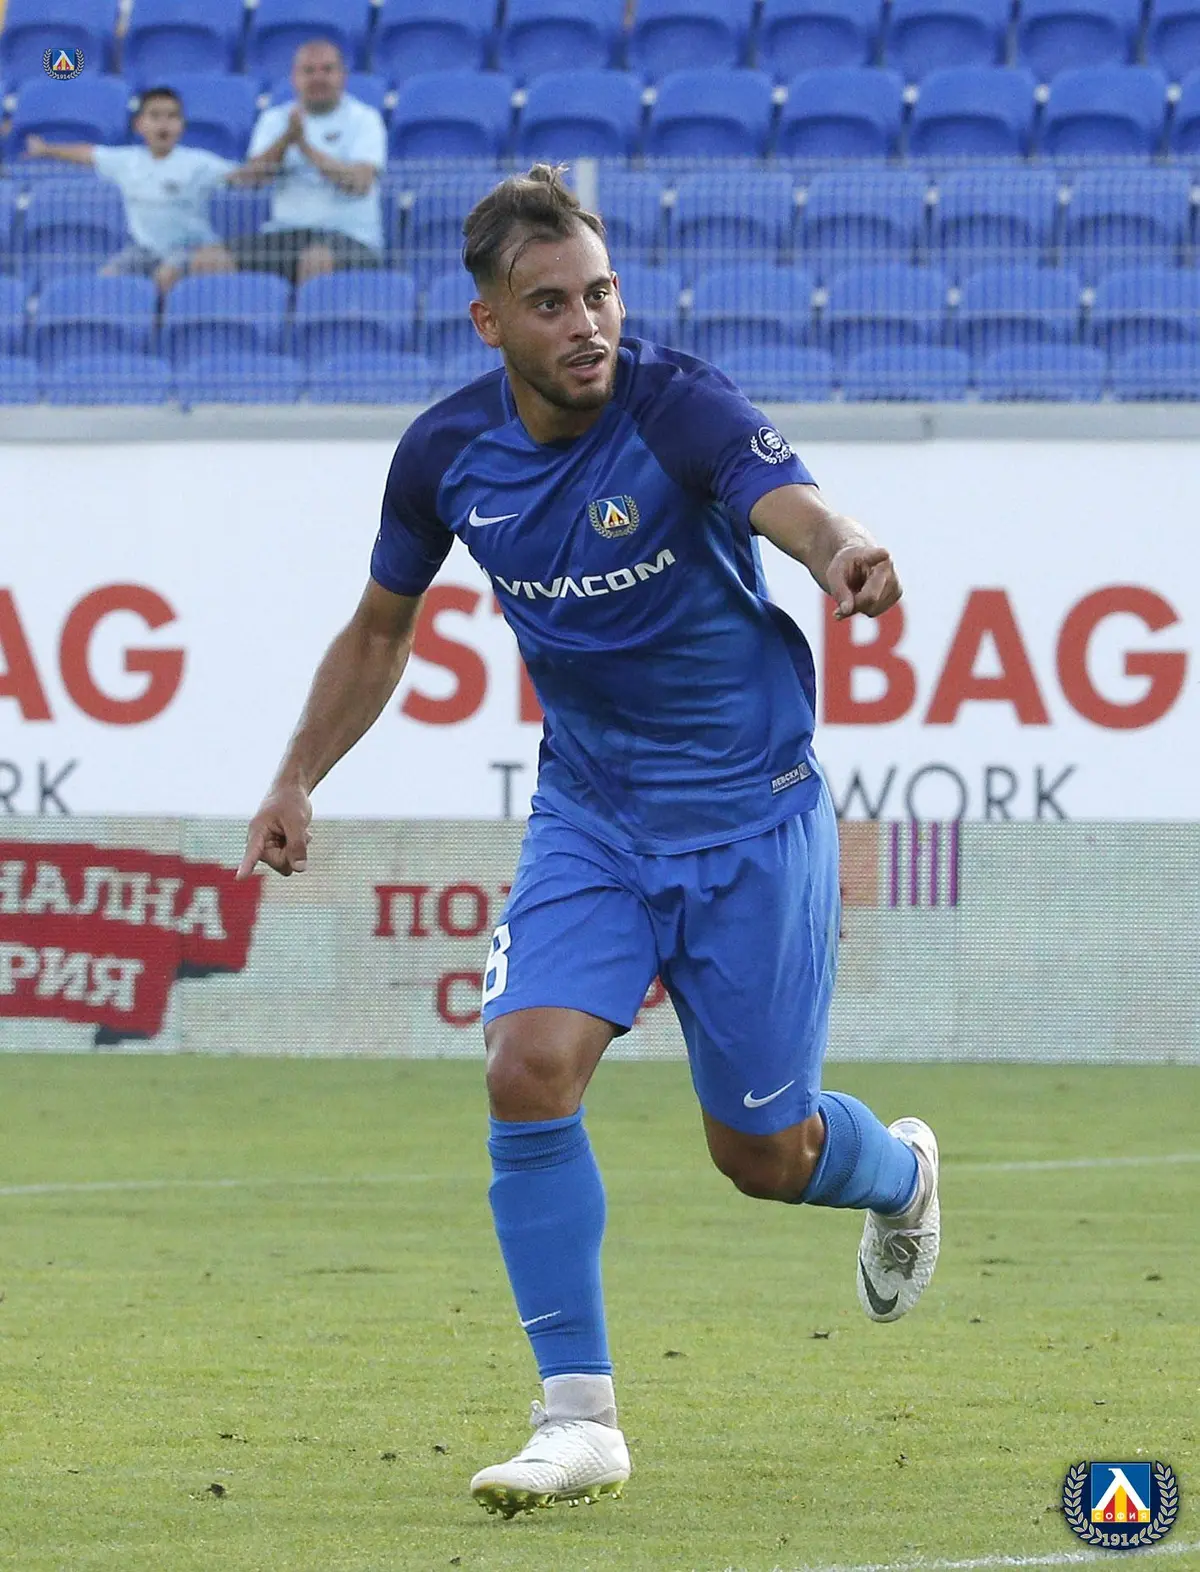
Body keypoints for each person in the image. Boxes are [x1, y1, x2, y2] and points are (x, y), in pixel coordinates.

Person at [238, 164, 942, 1521]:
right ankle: (578, 1422)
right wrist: (296, 777)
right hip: (593, 818)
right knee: (527, 1066)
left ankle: (900, 1175)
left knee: (763, 1154)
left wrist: (843, 551)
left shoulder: (678, 406)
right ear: (489, 321)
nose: (589, 325)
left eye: (602, 295)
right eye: (552, 303)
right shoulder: (446, 456)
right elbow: (379, 631)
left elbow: (792, 506)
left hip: (752, 818)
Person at [24, 86, 240, 293]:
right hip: (143, 250)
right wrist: (46, 149)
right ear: (139, 124)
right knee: (106, 280)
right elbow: (88, 153)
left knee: (166, 277)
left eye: (172, 116)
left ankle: (162, 318)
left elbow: (240, 174)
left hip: (189, 248)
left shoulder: (199, 162)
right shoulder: (126, 161)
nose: (163, 124)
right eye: (155, 116)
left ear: (182, 125)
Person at [220, 40, 386, 285]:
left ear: (343, 76)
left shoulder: (365, 119)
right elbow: (254, 178)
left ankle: (308, 312)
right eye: (308, 71)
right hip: (285, 233)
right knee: (211, 259)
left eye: (327, 70)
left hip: (350, 237)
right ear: (294, 79)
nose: (318, 78)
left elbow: (359, 182)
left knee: (315, 260)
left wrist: (305, 147)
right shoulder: (275, 119)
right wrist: (286, 139)